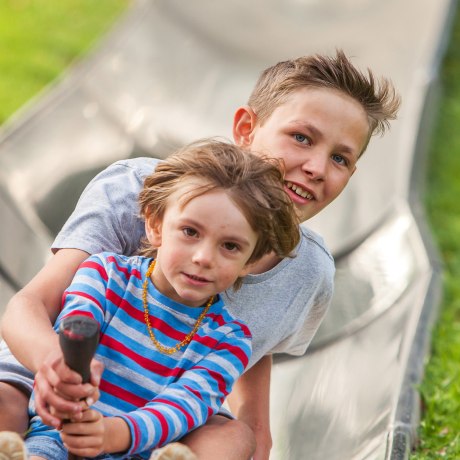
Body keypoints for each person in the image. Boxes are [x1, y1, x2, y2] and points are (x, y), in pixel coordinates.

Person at [0, 50, 400, 460]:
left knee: (233, 440)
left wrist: (256, 441)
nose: (317, 166)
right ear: (246, 128)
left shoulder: (307, 274)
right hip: (53, 373)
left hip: (162, 410)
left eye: (339, 158)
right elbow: (32, 304)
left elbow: (254, 359)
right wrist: (54, 366)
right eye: (301, 137)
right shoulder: (138, 190)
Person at [22, 140, 300, 459]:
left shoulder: (228, 341)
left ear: (250, 261)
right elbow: (74, 329)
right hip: (57, 435)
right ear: (156, 226)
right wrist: (66, 386)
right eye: (190, 232)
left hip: (135, 451)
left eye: (231, 247)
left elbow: (183, 407)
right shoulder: (105, 275)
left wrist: (114, 434)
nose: (203, 257)